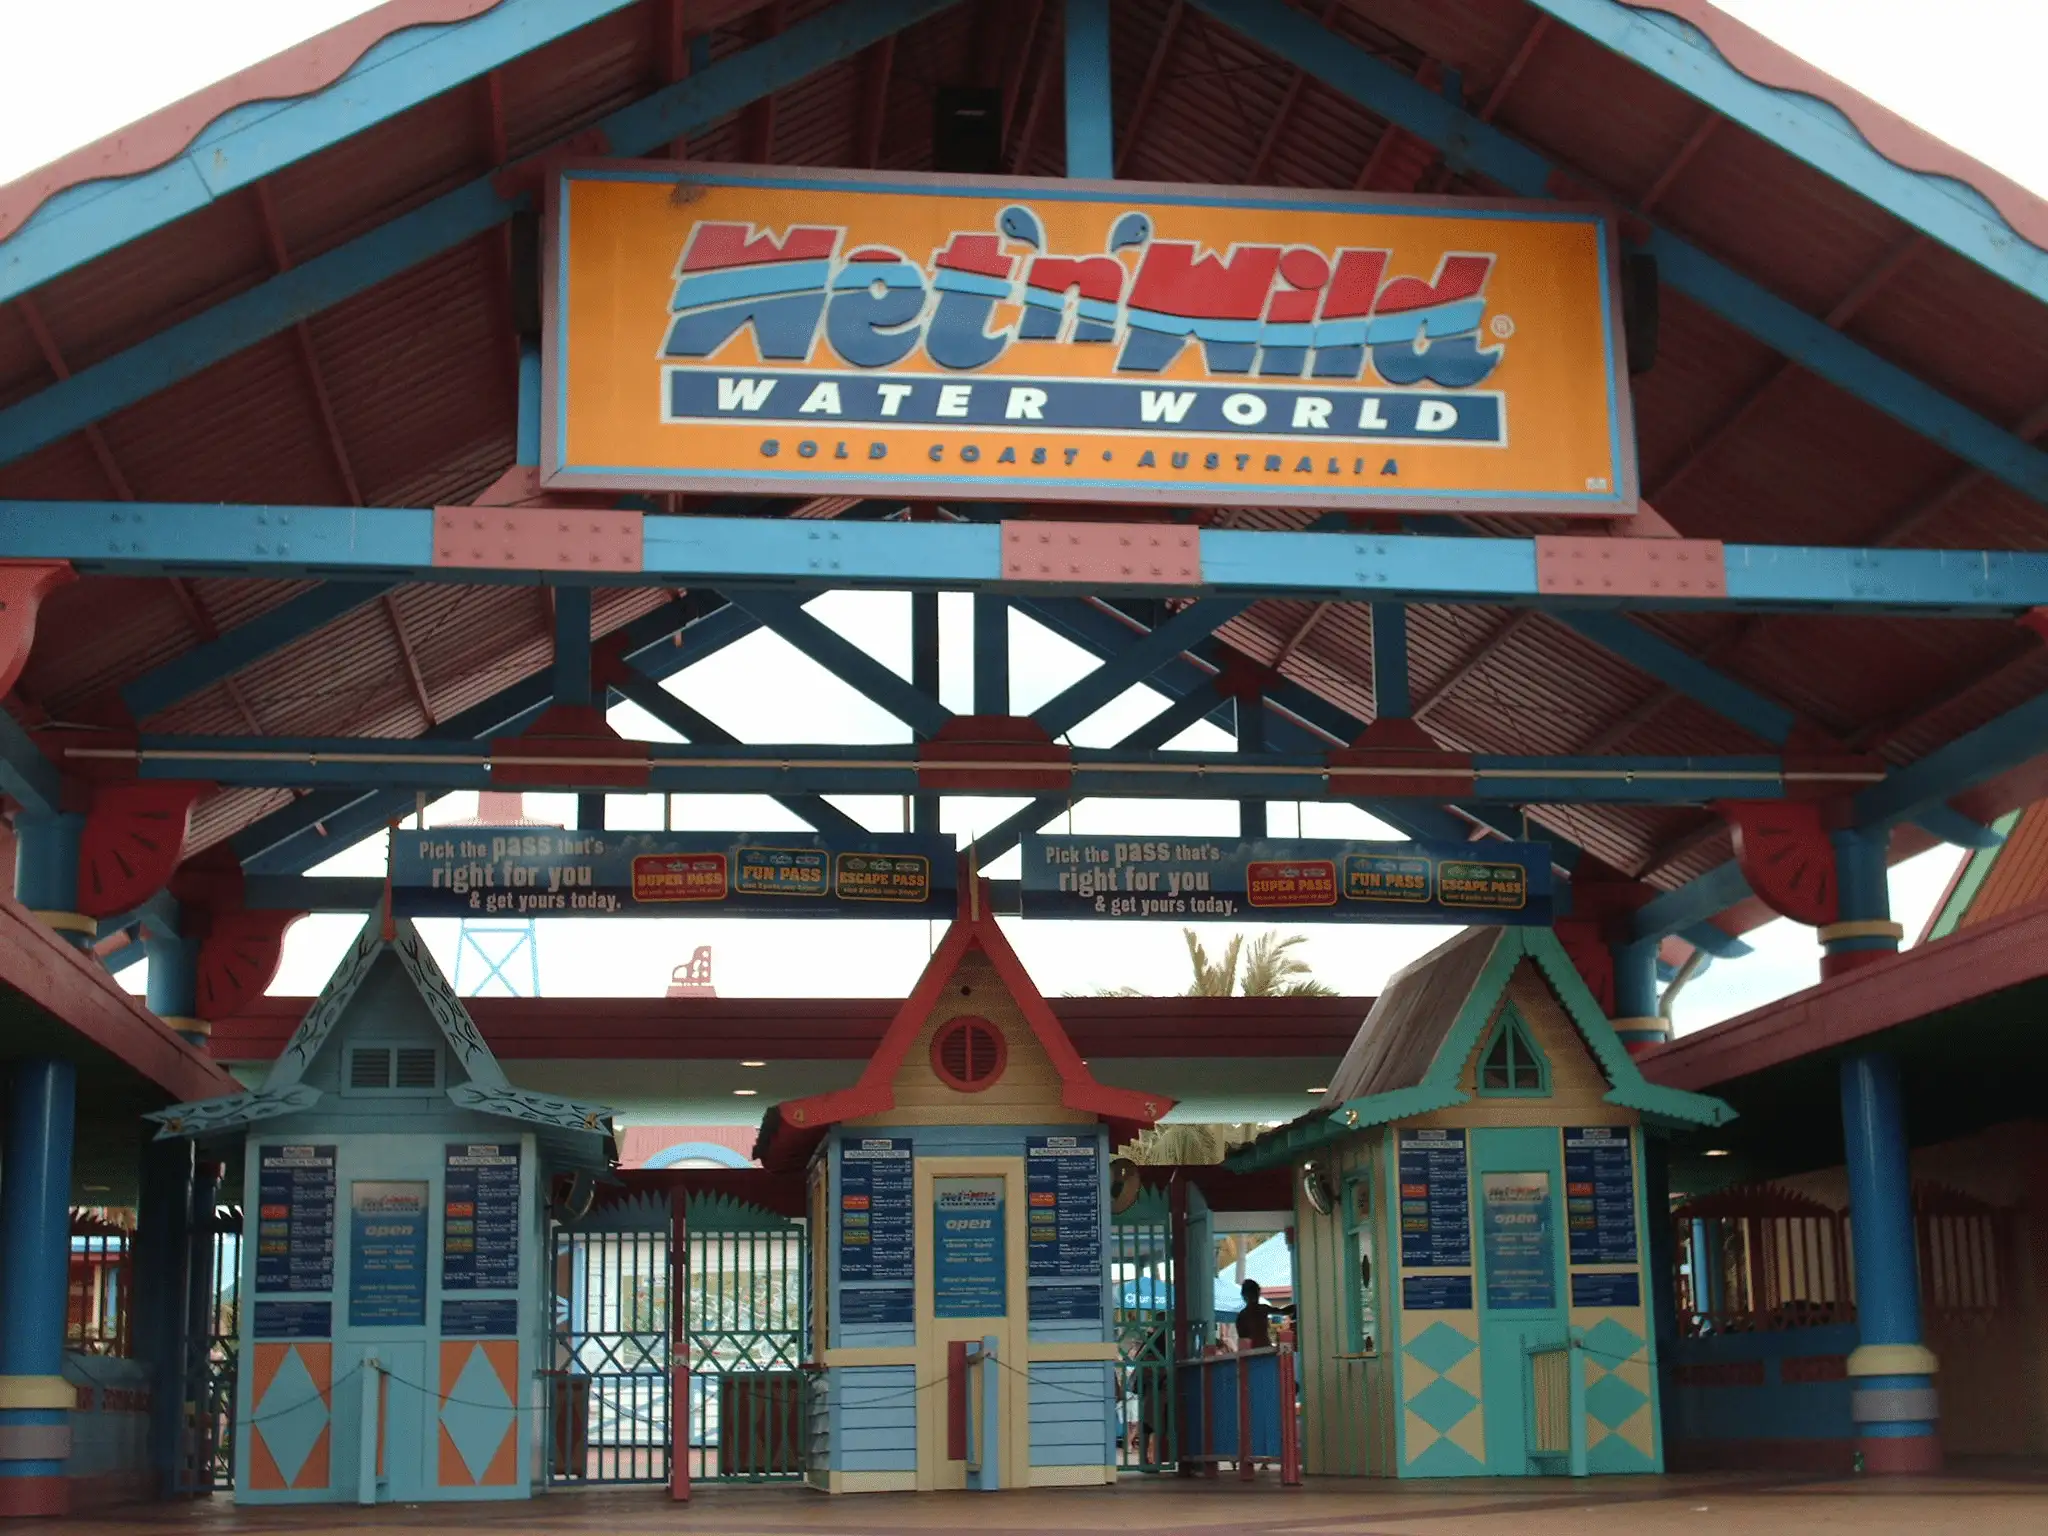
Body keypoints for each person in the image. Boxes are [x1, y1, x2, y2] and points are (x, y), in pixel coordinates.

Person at [1235, 1278, 1293, 1349]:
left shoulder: (1242, 1315)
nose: (1256, 1297)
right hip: (1261, 1350)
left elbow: (1242, 1339)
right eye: (1255, 1294)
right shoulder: (1262, 1309)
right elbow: (1283, 1311)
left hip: (1256, 1351)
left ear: (1243, 1296)